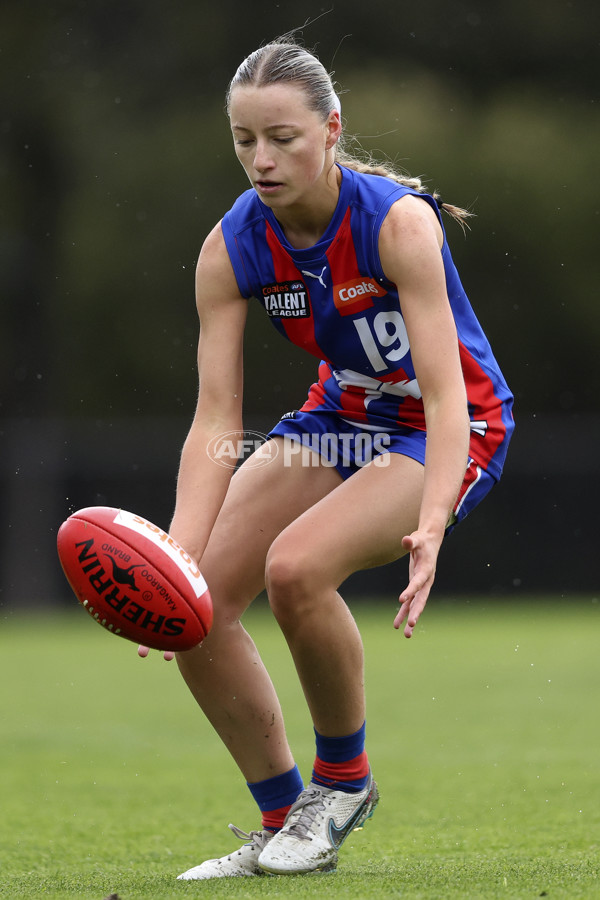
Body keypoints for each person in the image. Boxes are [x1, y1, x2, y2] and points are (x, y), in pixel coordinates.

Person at [139, 36, 514, 879]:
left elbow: (448, 396)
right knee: (195, 608)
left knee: (297, 568)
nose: (261, 160)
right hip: (341, 412)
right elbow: (215, 420)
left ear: (332, 129)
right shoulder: (230, 249)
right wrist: (177, 550)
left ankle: (343, 785)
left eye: (283, 138)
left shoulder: (397, 222)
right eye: (244, 141)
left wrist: (431, 524)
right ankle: (284, 823)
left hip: (448, 428)